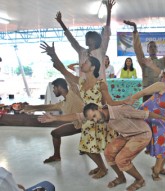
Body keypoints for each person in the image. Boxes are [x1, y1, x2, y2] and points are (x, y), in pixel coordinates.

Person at [40, 41, 130, 179]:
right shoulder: (81, 82)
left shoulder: (101, 84)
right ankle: (102, 168)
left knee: (105, 150)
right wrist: (53, 54)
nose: (82, 64)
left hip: (99, 120)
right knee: (88, 148)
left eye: (86, 63)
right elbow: (62, 69)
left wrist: (125, 102)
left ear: (93, 67)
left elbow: (110, 103)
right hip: (87, 120)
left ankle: (115, 173)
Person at [38, 103, 165, 191]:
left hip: (142, 134)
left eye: (95, 116)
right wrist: (55, 118)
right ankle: (121, 178)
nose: (95, 120)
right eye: (92, 119)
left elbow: (146, 114)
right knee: (109, 153)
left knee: (122, 159)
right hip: (126, 134)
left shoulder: (121, 110)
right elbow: (76, 116)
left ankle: (140, 180)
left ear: (99, 108)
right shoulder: (95, 114)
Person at [123, 20, 165, 101]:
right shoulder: (144, 62)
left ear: (157, 50)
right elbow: (137, 49)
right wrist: (135, 29)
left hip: (160, 92)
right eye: (150, 47)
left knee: (158, 112)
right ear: (148, 50)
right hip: (147, 92)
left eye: (154, 47)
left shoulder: (162, 61)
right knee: (146, 113)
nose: (152, 48)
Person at [21, 78, 84, 163]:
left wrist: (61, 68)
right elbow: (49, 107)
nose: (53, 91)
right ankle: (57, 156)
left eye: (54, 88)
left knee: (55, 133)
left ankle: (58, 155)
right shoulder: (63, 103)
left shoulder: (73, 94)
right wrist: (32, 107)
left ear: (59, 87)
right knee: (55, 133)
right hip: (79, 125)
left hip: (88, 124)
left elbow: (72, 82)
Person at [55, 0, 116, 80]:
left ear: (94, 40)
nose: (86, 39)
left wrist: (109, 11)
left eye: (88, 38)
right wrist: (61, 23)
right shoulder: (81, 51)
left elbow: (106, 34)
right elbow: (72, 40)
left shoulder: (101, 50)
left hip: (99, 85)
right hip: (84, 86)